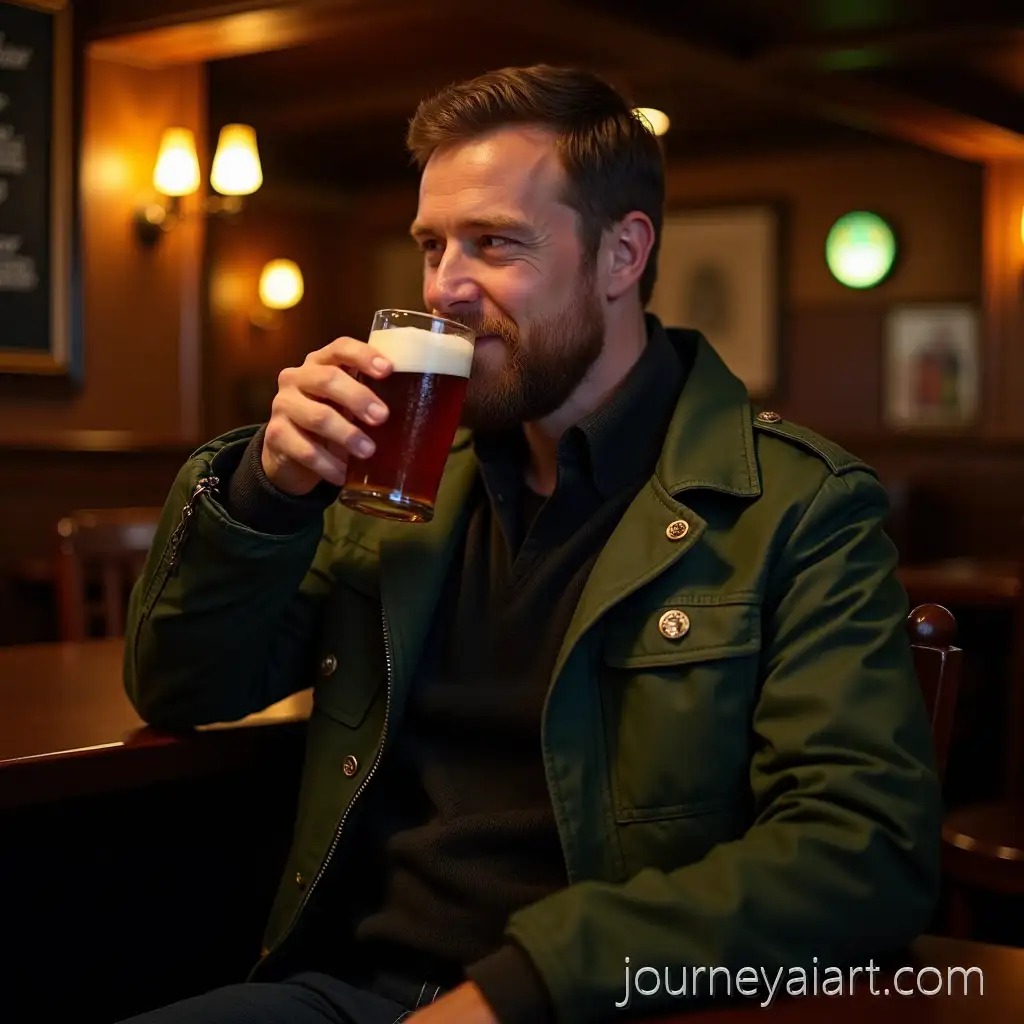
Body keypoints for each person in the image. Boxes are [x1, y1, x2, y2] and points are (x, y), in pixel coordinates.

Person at [119, 65, 942, 1024]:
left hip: (595, 1006)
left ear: (622, 255)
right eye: (432, 247)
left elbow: (863, 851)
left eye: (495, 243)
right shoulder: (399, 483)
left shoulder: (797, 507)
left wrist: (526, 988)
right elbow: (180, 684)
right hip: (345, 991)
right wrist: (268, 487)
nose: (446, 289)